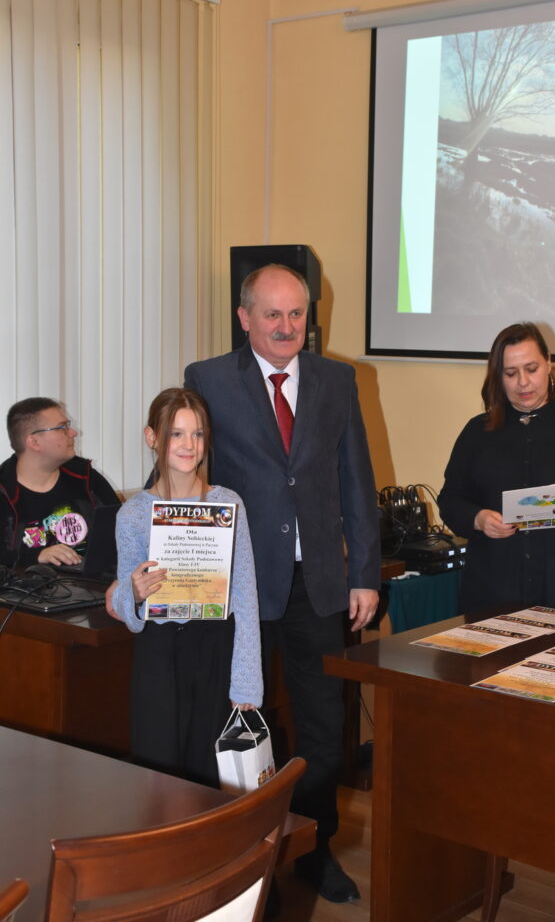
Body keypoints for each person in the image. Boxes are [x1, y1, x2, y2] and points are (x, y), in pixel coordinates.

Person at [184, 264, 380, 904]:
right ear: (245, 318)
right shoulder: (208, 381)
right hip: (238, 585)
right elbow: (186, 475)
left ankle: (316, 850)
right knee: (240, 721)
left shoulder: (338, 379)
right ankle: (239, 859)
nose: (286, 326)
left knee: (324, 729)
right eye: (272, 314)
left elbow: (356, 478)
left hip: (319, 585)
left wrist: (365, 575)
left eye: (297, 314)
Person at [111, 387, 262, 787]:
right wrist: (136, 593)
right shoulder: (133, 514)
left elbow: (245, 594)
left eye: (197, 434)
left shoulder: (227, 504)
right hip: (158, 653)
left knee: (208, 772)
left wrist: (247, 680)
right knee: (157, 769)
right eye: (176, 433)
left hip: (214, 647)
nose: (188, 444)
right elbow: (126, 604)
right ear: (152, 438)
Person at [438, 322, 555, 616]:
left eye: (532, 369)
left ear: (549, 363)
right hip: (490, 588)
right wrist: (478, 519)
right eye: (511, 373)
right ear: (497, 376)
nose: (523, 382)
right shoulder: (477, 432)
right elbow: (450, 501)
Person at [0, 397, 120, 569]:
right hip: (25, 592)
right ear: (34, 442)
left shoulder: (85, 478)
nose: (73, 433)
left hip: (92, 589)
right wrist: (36, 555)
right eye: (62, 427)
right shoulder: (4, 490)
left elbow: (123, 531)